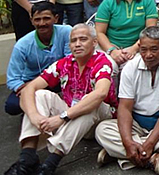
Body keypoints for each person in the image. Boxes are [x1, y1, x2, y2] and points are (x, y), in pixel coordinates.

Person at [6, 24, 117, 175]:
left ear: (94, 42)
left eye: (83, 39)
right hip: (73, 112)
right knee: (39, 94)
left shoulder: (103, 61)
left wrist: (62, 117)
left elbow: (100, 94)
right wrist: (35, 116)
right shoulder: (65, 63)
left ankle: (50, 163)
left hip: (101, 118)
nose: (77, 44)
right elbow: (28, 89)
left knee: (90, 102)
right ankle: (27, 158)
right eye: (73, 40)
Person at [95, 26, 159, 173]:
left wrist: (150, 143)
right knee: (102, 130)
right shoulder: (130, 67)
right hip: (136, 123)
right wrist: (127, 142)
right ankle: (149, 157)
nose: (148, 55)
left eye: (154, 49)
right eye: (143, 50)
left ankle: (120, 153)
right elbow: (124, 108)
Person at [5, 2, 71, 116]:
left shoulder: (66, 32)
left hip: (59, 77)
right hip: (31, 82)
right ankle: (33, 111)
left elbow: (71, 60)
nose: (42, 23)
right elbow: (12, 79)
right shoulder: (22, 45)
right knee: (12, 106)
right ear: (31, 21)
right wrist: (29, 88)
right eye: (37, 19)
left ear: (56, 18)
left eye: (46, 18)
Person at [95, 0, 158, 68]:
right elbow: (99, 33)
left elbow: (149, 31)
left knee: (132, 68)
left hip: (139, 47)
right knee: (108, 68)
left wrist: (133, 49)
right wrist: (112, 51)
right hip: (110, 47)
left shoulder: (147, 0)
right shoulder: (109, 2)